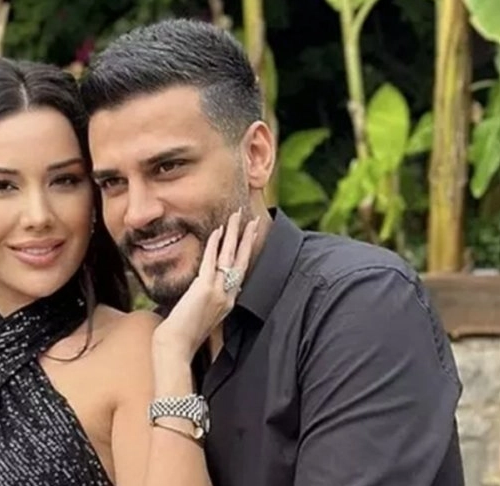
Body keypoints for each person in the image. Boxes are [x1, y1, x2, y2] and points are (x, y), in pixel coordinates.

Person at [81, 18, 465, 486]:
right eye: (112, 183)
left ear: (257, 156)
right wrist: (172, 355)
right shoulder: (160, 341)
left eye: (168, 167)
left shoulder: (362, 305)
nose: (138, 213)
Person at [0, 57, 247, 485]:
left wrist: (174, 353)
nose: (39, 216)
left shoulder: (133, 350)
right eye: (1, 186)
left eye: (65, 180)